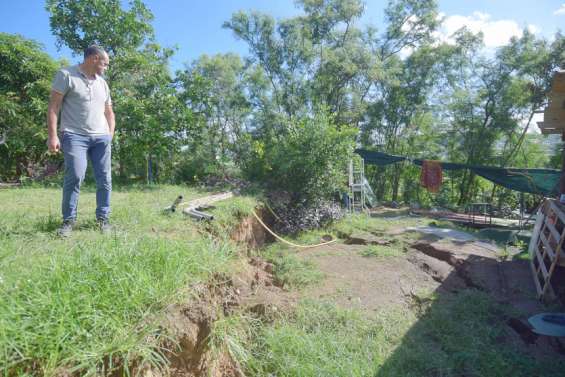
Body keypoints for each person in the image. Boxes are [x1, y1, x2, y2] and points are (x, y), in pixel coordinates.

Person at [46, 45, 115, 237]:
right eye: (105, 63)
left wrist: (110, 134)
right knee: (75, 176)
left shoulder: (102, 83)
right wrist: (53, 136)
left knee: (105, 179)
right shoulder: (66, 74)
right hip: (74, 135)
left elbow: (109, 112)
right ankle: (68, 222)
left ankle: (103, 219)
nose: (106, 67)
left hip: (101, 137)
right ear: (94, 59)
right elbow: (54, 106)